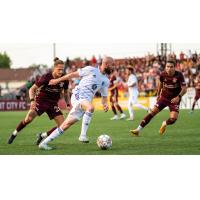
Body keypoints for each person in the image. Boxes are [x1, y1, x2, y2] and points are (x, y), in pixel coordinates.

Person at [38, 56, 113, 150]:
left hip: (85, 102)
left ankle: (44, 143)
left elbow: (104, 97)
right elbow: (72, 75)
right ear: (106, 64)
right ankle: (82, 135)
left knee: (65, 125)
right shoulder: (91, 70)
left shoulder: (106, 80)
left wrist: (105, 104)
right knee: (91, 108)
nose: (113, 67)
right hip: (78, 95)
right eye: (112, 65)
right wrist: (57, 80)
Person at [7, 58, 70, 144]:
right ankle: (14, 133)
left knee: (63, 125)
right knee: (28, 119)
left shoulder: (65, 79)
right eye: (59, 69)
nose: (61, 72)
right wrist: (32, 101)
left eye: (62, 69)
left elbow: (66, 93)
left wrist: (68, 104)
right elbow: (31, 89)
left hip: (52, 103)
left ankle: (42, 135)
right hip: (41, 101)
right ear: (54, 68)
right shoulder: (46, 77)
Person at [130, 60, 187, 136]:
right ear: (165, 67)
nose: (169, 68)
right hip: (164, 97)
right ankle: (138, 130)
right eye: (167, 67)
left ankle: (164, 123)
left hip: (174, 99)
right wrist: (158, 94)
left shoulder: (179, 75)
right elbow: (160, 84)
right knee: (152, 112)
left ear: (174, 67)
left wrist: (178, 97)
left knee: (173, 119)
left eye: (171, 67)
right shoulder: (163, 74)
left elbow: (184, 89)